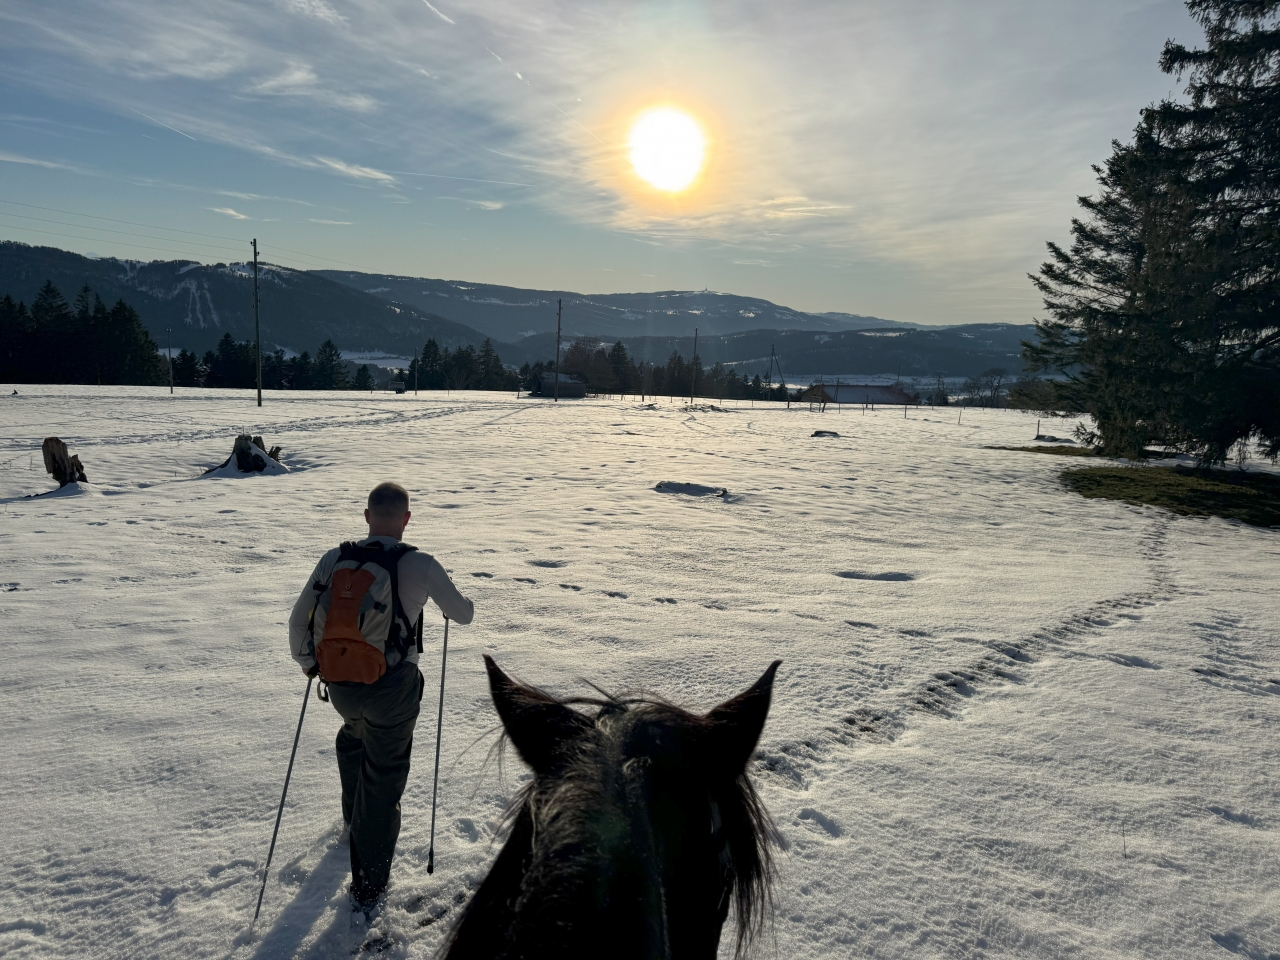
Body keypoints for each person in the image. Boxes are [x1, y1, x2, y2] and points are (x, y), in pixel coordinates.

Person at [289, 481, 475, 911]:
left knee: (353, 733)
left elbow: (299, 621)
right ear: (406, 519)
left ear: (367, 516)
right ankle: (368, 889)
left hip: (341, 684)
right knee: (383, 776)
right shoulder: (420, 564)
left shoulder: (335, 558)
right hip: (392, 689)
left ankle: (351, 821)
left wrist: (310, 665)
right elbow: (462, 615)